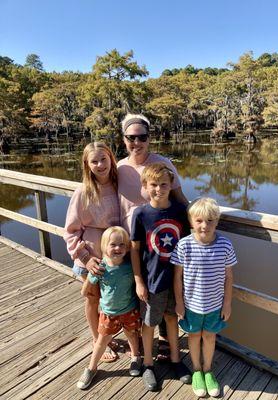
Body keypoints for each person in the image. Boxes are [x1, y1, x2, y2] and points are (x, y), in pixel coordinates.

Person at [118, 113, 188, 361]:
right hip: (131, 244)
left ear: (149, 138)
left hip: (164, 247)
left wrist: (201, 226)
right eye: (131, 137)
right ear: (124, 138)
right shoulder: (119, 167)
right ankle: (141, 353)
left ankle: (166, 348)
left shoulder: (163, 164)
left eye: (142, 137)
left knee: (165, 302)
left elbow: (181, 200)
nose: (136, 142)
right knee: (140, 296)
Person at [130, 163, 192, 392]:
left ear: (171, 185)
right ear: (145, 186)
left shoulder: (179, 211)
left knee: (172, 319)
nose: (159, 189)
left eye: (164, 184)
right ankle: (148, 363)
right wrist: (138, 280)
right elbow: (135, 249)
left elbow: (188, 243)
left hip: (175, 279)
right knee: (148, 324)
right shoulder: (141, 214)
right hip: (151, 281)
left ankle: (176, 360)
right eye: (153, 185)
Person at [171, 197, 237, 397]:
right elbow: (177, 277)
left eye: (210, 220)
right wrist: (179, 303)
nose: (204, 225)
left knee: (209, 337)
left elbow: (229, 277)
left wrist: (227, 304)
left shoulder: (225, 245)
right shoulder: (184, 245)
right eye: (199, 220)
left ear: (217, 222)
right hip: (191, 305)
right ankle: (197, 370)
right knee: (194, 336)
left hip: (215, 305)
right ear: (191, 222)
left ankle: (208, 370)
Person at [64, 142, 120, 362]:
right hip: (93, 255)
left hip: (116, 254)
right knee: (93, 298)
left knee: (112, 299)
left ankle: (107, 333)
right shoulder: (83, 192)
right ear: (87, 164)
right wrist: (85, 258)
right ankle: (97, 338)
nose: (100, 165)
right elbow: (70, 231)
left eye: (103, 159)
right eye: (94, 161)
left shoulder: (119, 185)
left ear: (111, 159)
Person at [77, 226, 141, 389]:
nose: (118, 248)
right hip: (108, 314)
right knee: (101, 341)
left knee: (132, 335)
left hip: (129, 310)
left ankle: (135, 357)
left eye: (122, 245)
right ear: (104, 247)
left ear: (127, 248)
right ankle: (91, 368)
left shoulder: (130, 266)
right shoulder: (100, 268)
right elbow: (85, 290)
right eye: (113, 245)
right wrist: (88, 284)